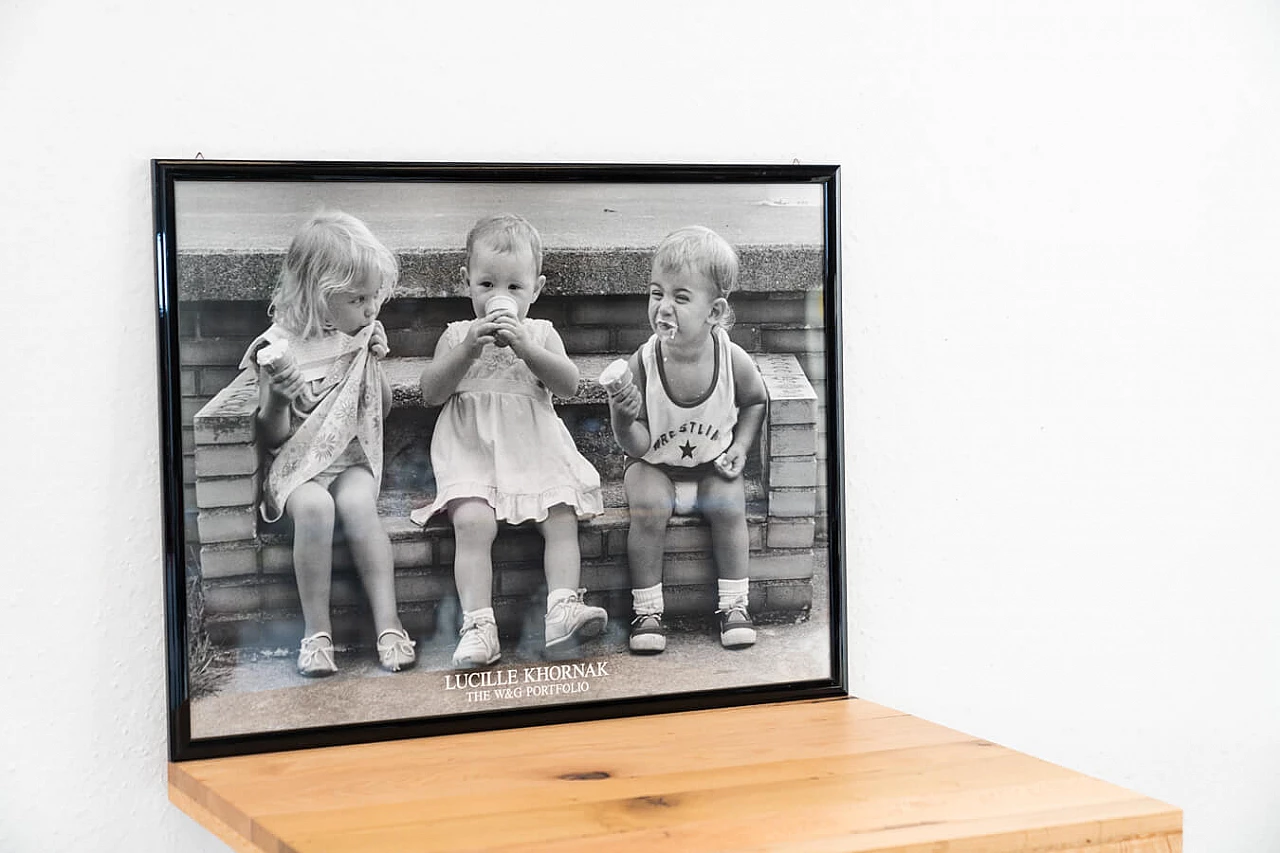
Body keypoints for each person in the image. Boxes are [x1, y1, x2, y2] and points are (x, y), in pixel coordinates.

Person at [412, 214, 608, 669]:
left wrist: (527, 349)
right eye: (486, 284)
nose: (499, 296)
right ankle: (479, 625)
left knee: (562, 515)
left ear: (535, 290)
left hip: (532, 449)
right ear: (467, 284)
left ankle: (561, 608)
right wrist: (468, 350)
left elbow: (569, 385)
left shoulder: (540, 333)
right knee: (473, 523)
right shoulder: (457, 335)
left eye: (514, 288)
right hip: (473, 451)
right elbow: (431, 392)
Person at [240, 211, 416, 677]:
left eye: (373, 297)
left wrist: (373, 361)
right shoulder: (278, 347)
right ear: (319, 296)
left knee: (359, 504)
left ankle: (389, 624)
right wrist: (277, 398)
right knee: (317, 508)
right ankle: (317, 633)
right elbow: (273, 435)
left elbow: (384, 409)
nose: (370, 309)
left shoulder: (356, 334)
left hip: (350, 459)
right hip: (297, 469)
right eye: (358, 299)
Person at [605, 226, 768, 654]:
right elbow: (637, 446)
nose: (663, 308)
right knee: (647, 504)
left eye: (680, 297)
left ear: (714, 311)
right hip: (656, 465)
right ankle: (647, 611)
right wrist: (623, 420)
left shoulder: (731, 358)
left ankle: (734, 604)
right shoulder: (645, 361)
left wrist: (740, 447)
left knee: (730, 504)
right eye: (657, 293)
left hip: (712, 465)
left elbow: (755, 401)